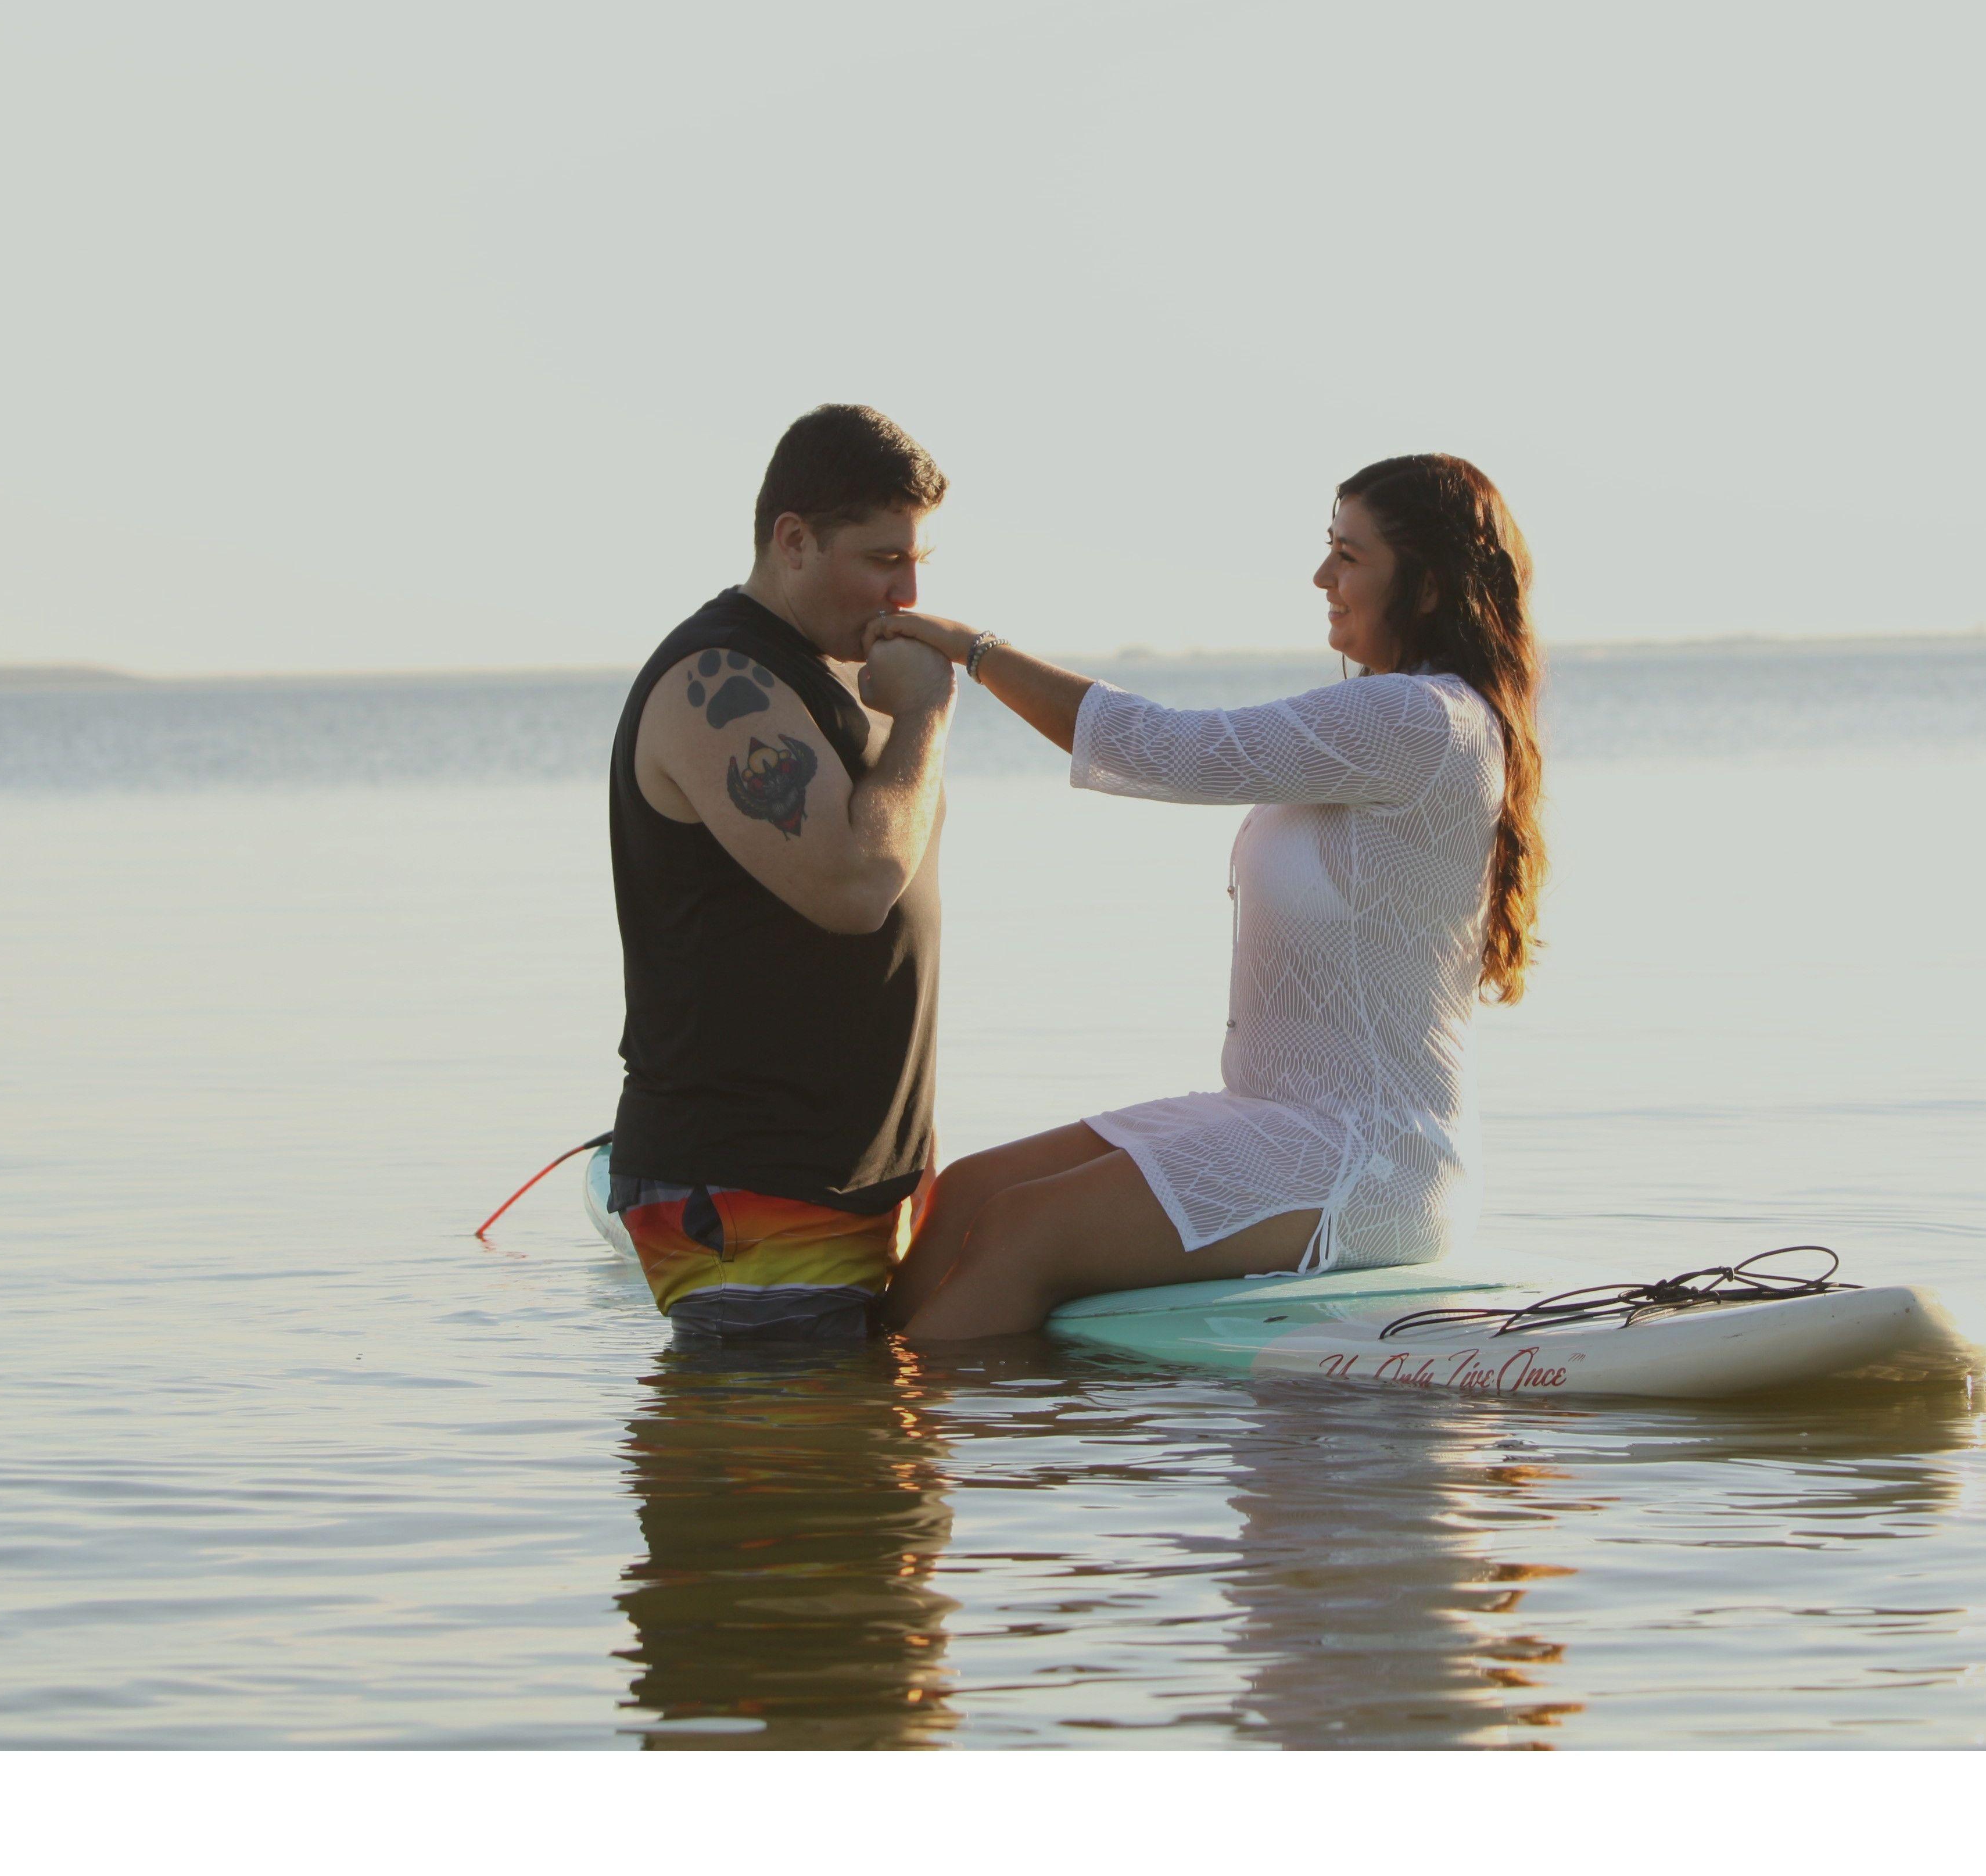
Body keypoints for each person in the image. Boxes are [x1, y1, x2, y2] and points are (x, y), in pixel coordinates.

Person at [873, 452, 1546, 1342]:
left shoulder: (1419, 718)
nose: (1322, 576)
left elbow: (1169, 749)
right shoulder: (1399, 718)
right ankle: (868, 1390)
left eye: (1349, 556)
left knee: (1020, 1230)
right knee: (967, 1192)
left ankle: (901, 1422)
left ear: (1427, 586)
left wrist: (973, 651)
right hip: (1273, 1117)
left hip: (1371, 1156)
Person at [605, 403, 956, 1338]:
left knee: (875, 1436)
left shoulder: (829, 678)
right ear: (793, 541)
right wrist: (927, 716)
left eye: (919, 560)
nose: (908, 593)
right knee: (782, 1438)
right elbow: (857, 889)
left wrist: (914, 1148)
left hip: (849, 1179)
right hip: (747, 1185)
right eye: (883, 559)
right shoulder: (720, 682)